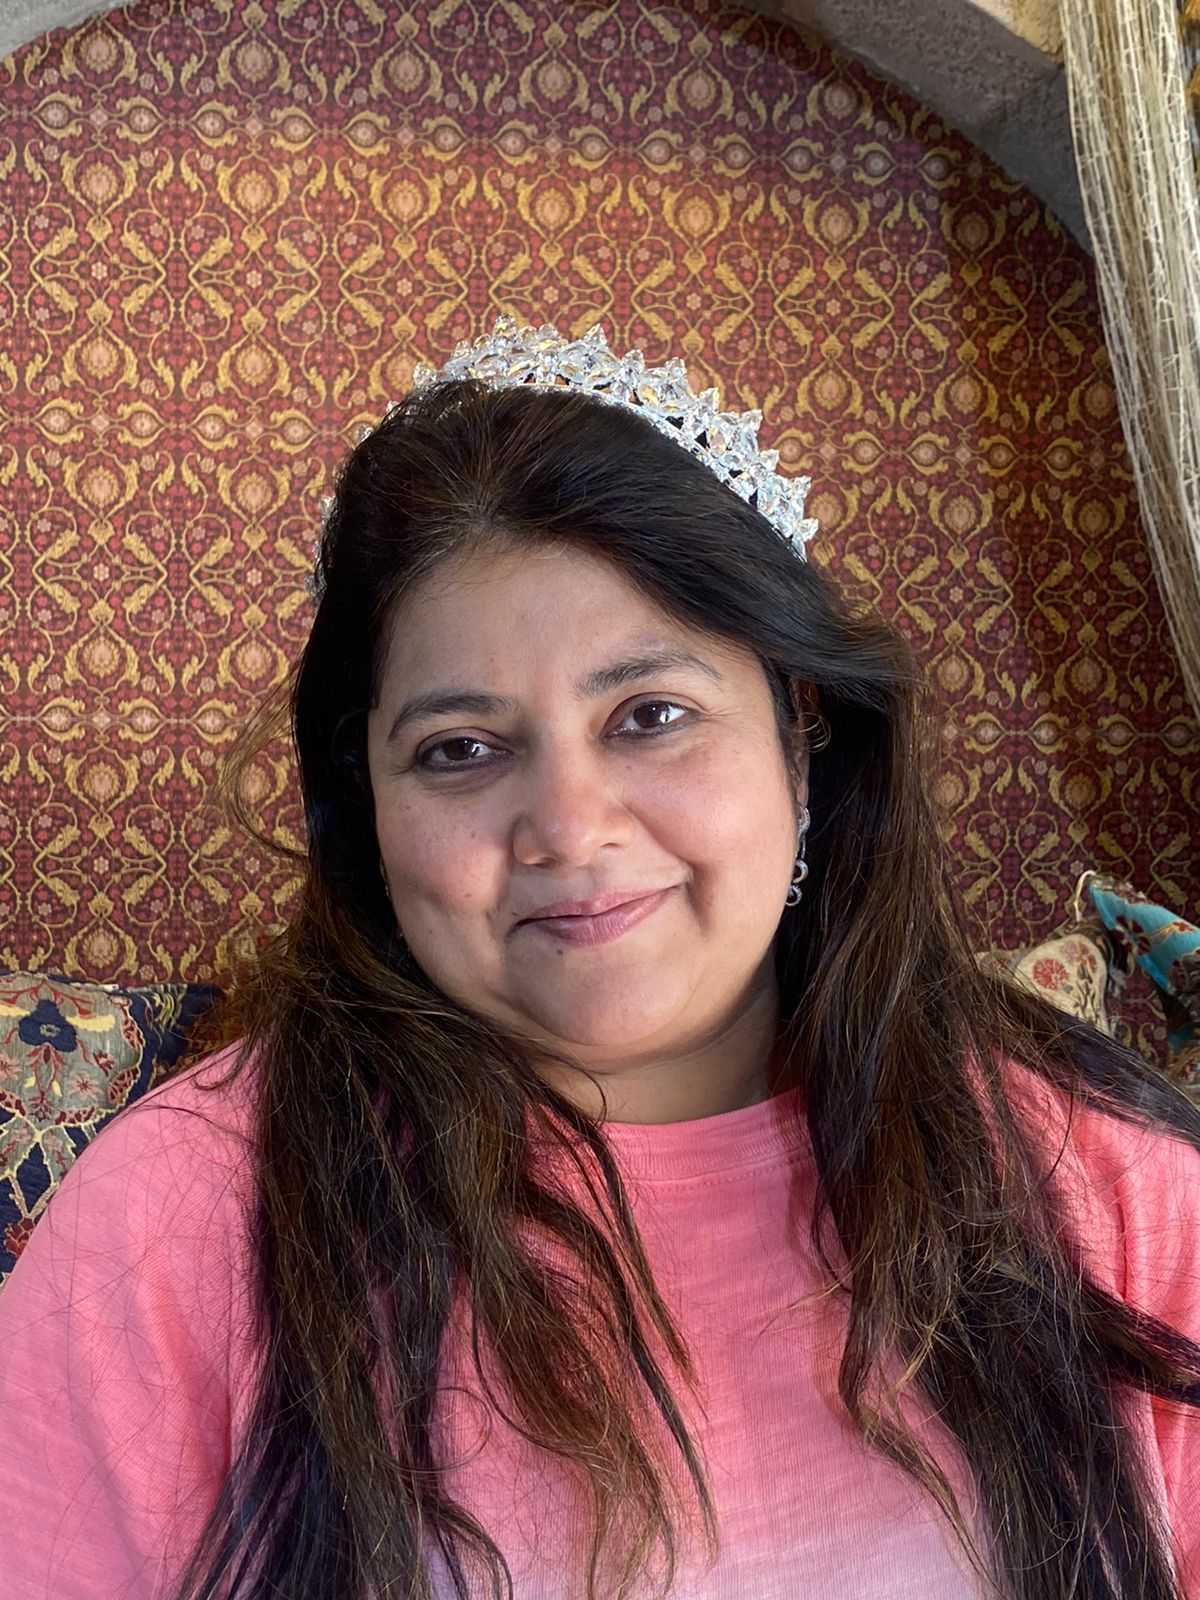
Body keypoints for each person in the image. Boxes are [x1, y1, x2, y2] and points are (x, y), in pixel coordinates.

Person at [1, 316, 1198, 1600]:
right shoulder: (173, 1227)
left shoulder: (1104, 1182)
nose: (569, 829)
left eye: (651, 715)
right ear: (373, 808)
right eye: (462, 748)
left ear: (803, 739)